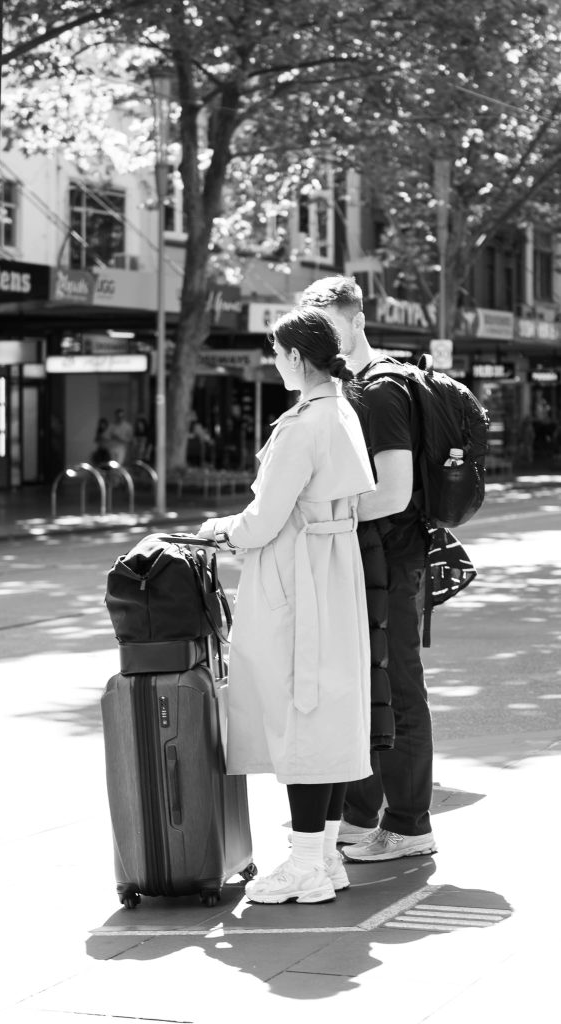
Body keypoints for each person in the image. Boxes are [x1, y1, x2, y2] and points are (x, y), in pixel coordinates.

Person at [197, 306, 375, 904]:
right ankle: (322, 857)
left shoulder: (303, 424)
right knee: (325, 709)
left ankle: (304, 866)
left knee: (298, 711)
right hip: (333, 568)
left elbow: (265, 517)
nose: (274, 366)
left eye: (276, 355)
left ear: (297, 356)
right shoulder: (342, 410)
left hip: (298, 573)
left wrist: (221, 529)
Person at [299, 275, 438, 862]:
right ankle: (362, 816)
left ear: (357, 321)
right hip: (368, 558)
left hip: (393, 557)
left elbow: (395, 491)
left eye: (328, 328)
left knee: (398, 688)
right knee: (366, 687)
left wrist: (324, 511)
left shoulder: (378, 391)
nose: (319, 343)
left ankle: (409, 824)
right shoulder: (350, 385)